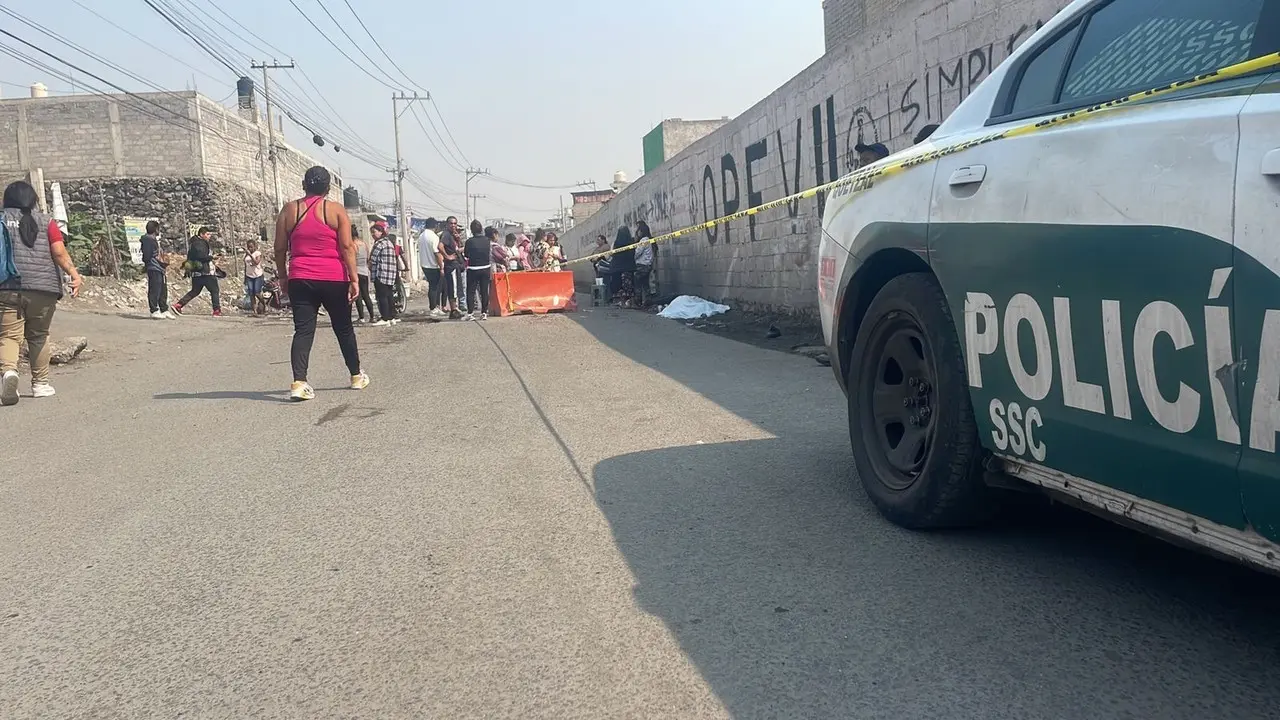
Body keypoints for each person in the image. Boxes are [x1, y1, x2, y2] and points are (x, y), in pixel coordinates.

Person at [273, 166, 369, 401]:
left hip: (300, 277)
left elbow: (279, 247)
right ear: (328, 188)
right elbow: (347, 247)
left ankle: (299, 382)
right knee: (343, 327)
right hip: (333, 277)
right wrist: (354, 278)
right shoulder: (335, 210)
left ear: (304, 184)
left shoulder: (289, 210)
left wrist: (282, 276)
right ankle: (356, 376)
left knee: (303, 330)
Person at [0, 180, 83, 405]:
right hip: (44, 288)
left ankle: (9, 372)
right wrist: (74, 275)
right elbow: (58, 251)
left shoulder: (2, 219)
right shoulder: (47, 222)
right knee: (38, 336)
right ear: (33, 200)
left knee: (9, 336)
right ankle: (41, 384)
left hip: (8, 287)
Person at [172, 226, 222, 316]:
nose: (209, 236)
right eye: (207, 234)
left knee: (195, 291)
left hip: (196, 272)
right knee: (214, 290)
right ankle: (216, 310)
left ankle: (179, 305)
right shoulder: (200, 244)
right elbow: (201, 257)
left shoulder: (193, 243)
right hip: (205, 272)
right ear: (201, 234)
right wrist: (212, 257)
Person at [140, 220, 172, 319]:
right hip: (154, 267)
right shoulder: (148, 240)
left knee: (163, 288)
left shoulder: (153, 239)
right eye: (158, 229)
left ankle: (164, 309)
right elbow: (147, 255)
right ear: (155, 229)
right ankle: (154, 310)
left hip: (159, 268)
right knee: (155, 288)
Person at [462, 221, 494, 320]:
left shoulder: (469, 241)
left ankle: (470, 314)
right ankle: (484, 313)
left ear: (472, 230)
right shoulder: (487, 240)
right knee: (484, 291)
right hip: (485, 268)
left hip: (473, 269)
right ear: (481, 229)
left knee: (471, 291)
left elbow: (466, 255)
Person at [369, 222, 399, 326]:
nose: (373, 235)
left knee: (382, 297)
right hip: (390, 274)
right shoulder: (389, 243)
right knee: (389, 296)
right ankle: (391, 317)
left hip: (381, 273)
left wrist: (369, 267)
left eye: (374, 232)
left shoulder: (379, 243)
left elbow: (372, 259)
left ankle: (385, 318)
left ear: (381, 232)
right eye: (371, 233)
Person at [418, 217, 444, 318]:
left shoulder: (421, 236)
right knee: (434, 288)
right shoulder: (433, 237)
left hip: (424, 264)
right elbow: (436, 253)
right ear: (435, 226)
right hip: (433, 265)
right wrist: (441, 266)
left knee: (434, 287)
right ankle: (433, 309)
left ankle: (435, 307)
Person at [439, 215, 465, 319]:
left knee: (456, 287)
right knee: (452, 288)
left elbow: (458, 248)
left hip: (456, 265)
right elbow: (440, 246)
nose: (453, 225)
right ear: (447, 224)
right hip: (451, 266)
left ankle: (455, 308)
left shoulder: (453, 236)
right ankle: (453, 310)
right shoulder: (446, 235)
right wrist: (447, 256)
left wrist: (458, 239)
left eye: (455, 223)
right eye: (451, 223)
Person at [352, 223, 375, 323]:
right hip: (364, 271)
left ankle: (361, 318)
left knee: (358, 295)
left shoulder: (352, 245)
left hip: (356, 271)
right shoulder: (364, 243)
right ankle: (372, 316)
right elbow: (368, 257)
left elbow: (351, 259)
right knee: (366, 294)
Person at [611, 224, 636, 303]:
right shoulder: (631, 241)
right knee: (628, 285)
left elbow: (612, 253)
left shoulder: (616, 243)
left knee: (618, 284)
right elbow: (633, 253)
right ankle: (629, 300)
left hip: (617, 268)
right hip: (629, 267)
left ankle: (620, 300)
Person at [633, 220, 655, 308]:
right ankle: (647, 301)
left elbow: (637, 252)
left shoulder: (643, 240)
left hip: (641, 265)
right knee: (645, 284)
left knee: (638, 283)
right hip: (648, 265)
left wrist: (632, 257)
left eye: (638, 231)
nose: (637, 232)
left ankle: (638, 301)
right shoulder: (649, 239)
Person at [244, 238, 266, 315]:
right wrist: (245, 277)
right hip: (249, 276)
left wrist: (250, 255)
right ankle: (255, 311)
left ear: (254, 246)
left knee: (257, 292)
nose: (250, 248)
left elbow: (256, 262)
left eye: (251, 247)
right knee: (251, 293)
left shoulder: (257, 253)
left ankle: (263, 303)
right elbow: (246, 265)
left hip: (257, 275)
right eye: (248, 247)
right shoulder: (246, 255)